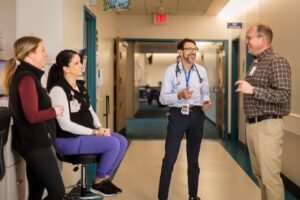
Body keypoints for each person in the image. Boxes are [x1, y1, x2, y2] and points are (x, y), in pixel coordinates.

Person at [46, 49, 128, 197]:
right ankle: (97, 184)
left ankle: (105, 179)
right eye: (76, 63)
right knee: (113, 143)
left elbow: (90, 110)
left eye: (80, 62)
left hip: (86, 135)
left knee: (121, 140)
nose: (81, 66)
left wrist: (99, 127)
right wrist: (94, 132)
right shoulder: (58, 89)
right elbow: (64, 124)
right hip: (67, 139)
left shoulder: (80, 86)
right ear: (66, 69)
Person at [1, 36, 65, 199]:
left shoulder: (28, 76)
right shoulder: (27, 78)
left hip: (34, 142)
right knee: (57, 192)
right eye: (42, 50)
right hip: (35, 144)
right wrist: (54, 110)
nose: (46, 54)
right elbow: (32, 116)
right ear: (29, 54)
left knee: (36, 193)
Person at [235, 24, 291, 200]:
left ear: (263, 39)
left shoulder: (277, 61)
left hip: (268, 126)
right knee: (260, 176)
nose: (246, 41)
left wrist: (253, 90)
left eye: (249, 37)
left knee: (270, 178)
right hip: (253, 126)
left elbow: (284, 95)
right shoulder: (256, 62)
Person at [158, 38, 212, 200]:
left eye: (195, 49)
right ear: (180, 52)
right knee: (170, 158)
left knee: (193, 159)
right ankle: (162, 197)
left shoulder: (201, 71)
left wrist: (206, 101)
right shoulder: (170, 71)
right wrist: (179, 95)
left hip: (196, 115)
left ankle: (193, 196)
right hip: (177, 115)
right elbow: (162, 99)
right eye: (189, 49)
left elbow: (205, 92)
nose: (193, 52)